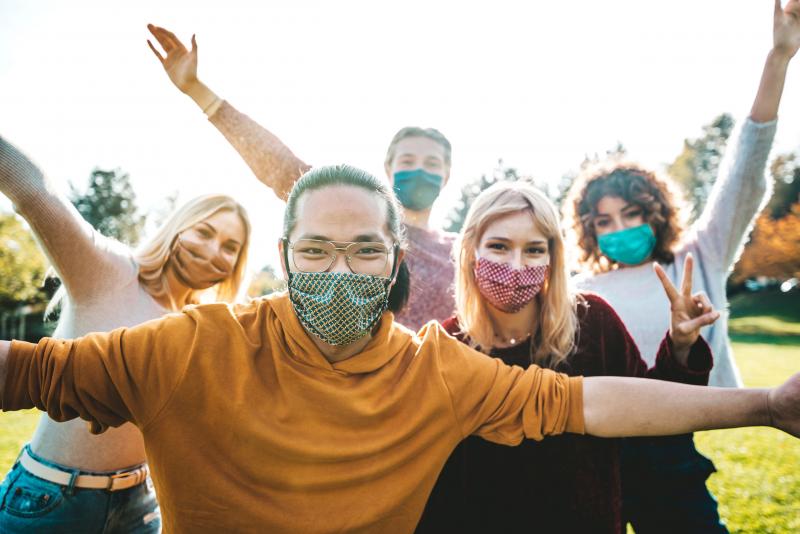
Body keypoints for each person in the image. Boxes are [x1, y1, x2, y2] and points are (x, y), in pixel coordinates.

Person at [1, 163, 799, 533]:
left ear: (395, 262)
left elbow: (590, 403)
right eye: (315, 251)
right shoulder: (195, 346)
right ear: (284, 256)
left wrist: (763, 402)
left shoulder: (435, 369)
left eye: (364, 251)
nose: (339, 271)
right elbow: (34, 371)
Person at [562, 2, 800, 531]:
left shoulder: (699, 256)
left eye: (631, 213)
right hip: (595, 450)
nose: (620, 227)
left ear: (656, 212)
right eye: (605, 221)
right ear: (589, 229)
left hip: (670, 450)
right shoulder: (578, 289)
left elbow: (746, 167)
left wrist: (779, 58)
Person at [417, 180, 717, 534]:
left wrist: (681, 345)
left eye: (533, 250)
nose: (516, 266)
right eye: (499, 246)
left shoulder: (592, 321)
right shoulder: (447, 344)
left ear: (552, 257)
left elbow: (650, 414)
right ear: (470, 251)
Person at [0, 136, 251, 533]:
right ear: (178, 227)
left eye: (230, 246)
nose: (212, 251)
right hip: (51, 501)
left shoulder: (203, 327)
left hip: (141, 508)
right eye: (204, 232)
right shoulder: (110, 271)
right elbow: (34, 192)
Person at [146, 23, 455, 330]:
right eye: (408, 160)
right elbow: (276, 162)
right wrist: (197, 90)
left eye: (432, 162)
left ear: (447, 174)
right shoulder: (349, 214)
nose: (419, 170)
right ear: (389, 168)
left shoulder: (459, 253)